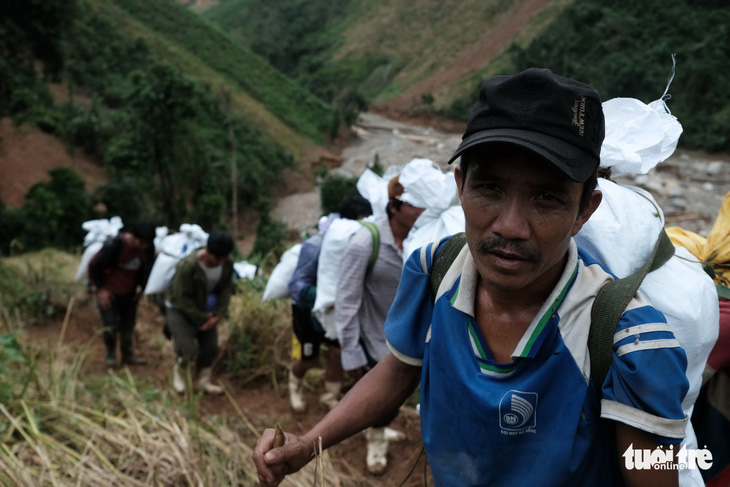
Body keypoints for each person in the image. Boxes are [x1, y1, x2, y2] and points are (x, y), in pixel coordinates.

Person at [253, 68, 690, 486]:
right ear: (460, 186)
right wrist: (310, 442)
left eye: (546, 198)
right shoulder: (434, 271)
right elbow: (399, 370)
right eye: (490, 189)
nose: (510, 227)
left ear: (583, 212)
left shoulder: (628, 340)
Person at [334, 175, 425, 474]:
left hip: (407, 337)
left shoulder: (421, 239)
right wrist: (350, 351)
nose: (422, 209)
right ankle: (376, 445)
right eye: (415, 204)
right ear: (393, 207)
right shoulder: (365, 242)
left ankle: (379, 430)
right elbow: (346, 300)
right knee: (381, 399)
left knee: (397, 394)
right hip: (373, 337)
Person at [287, 195, 373, 413]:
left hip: (337, 310)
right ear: (358, 218)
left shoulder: (360, 244)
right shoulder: (316, 245)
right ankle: (294, 389)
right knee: (308, 358)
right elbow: (296, 284)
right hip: (308, 311)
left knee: (337, 355)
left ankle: (329, 396)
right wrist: (324, 297)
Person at [166, 230, 235, 395]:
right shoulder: (188, 266)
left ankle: (203, 382)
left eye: (224, 258)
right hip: (180, 310)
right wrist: (203, 317)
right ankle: (180, 376)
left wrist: (219, 314)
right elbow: (182, 298)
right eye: (218, 258)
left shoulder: (226, 264)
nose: (221, 262)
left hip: (207, 311)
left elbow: (226, 289)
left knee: (210, 347)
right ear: (207, 252)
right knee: (187, 347)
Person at [88, 220, 156, 366]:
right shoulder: (115, 245)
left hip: (130, 293)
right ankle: (111, 354)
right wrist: (101, 289)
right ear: (133, 236)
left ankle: (128, 355)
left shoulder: (147, 249)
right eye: (141, 243)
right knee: (110, 324)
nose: (143, 247)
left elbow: (147, 269)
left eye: (146, 244)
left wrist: (142, 288)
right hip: (110, 292)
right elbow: (94, 266)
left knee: (128, 326)